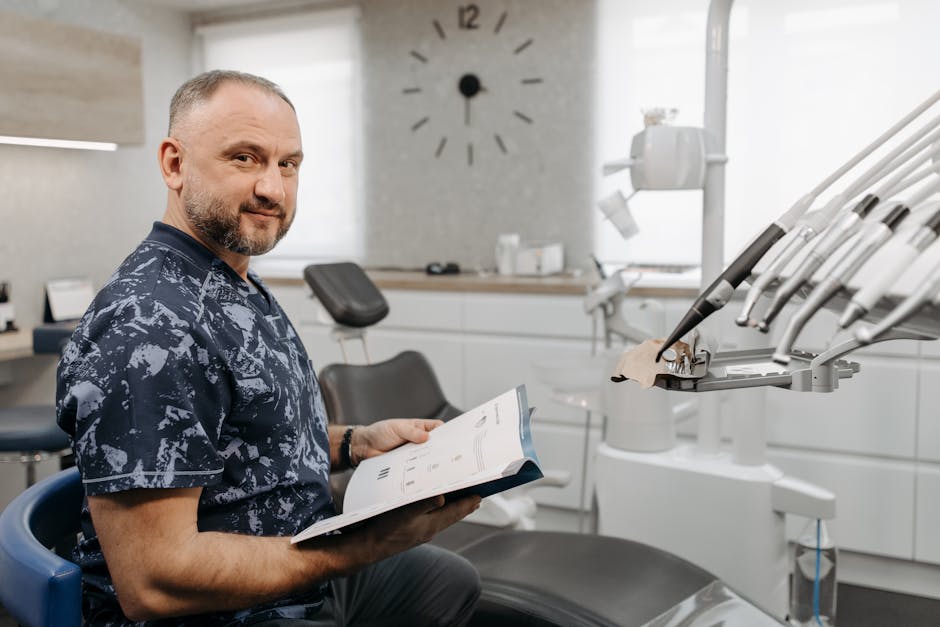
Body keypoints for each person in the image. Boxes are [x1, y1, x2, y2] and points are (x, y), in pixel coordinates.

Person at [56, 70, 482, 626]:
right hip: (221, 613)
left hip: (298, 561)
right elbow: (154, 581)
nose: (273, 189)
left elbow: (239, 432)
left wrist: (354, 443)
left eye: (288, 164)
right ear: (174, 163)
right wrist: (364, 546)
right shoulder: (150, 326)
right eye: (244, 158)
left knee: (449, 582)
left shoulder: (230, 279)